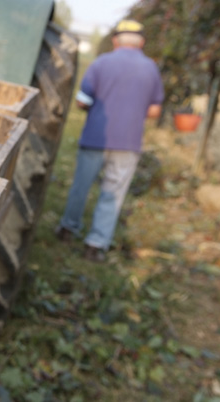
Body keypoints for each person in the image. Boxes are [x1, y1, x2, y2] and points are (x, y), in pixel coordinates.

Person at [56, 19, 164, 262]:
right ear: (142, 43)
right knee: (113, 193)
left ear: (116, 40)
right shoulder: (151, 68)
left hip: (96, 137)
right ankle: (95, 244)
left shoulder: (101, 63)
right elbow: (155, 111)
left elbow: (82, 101)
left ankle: (67, 229)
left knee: (81, 187)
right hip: (129, 142)